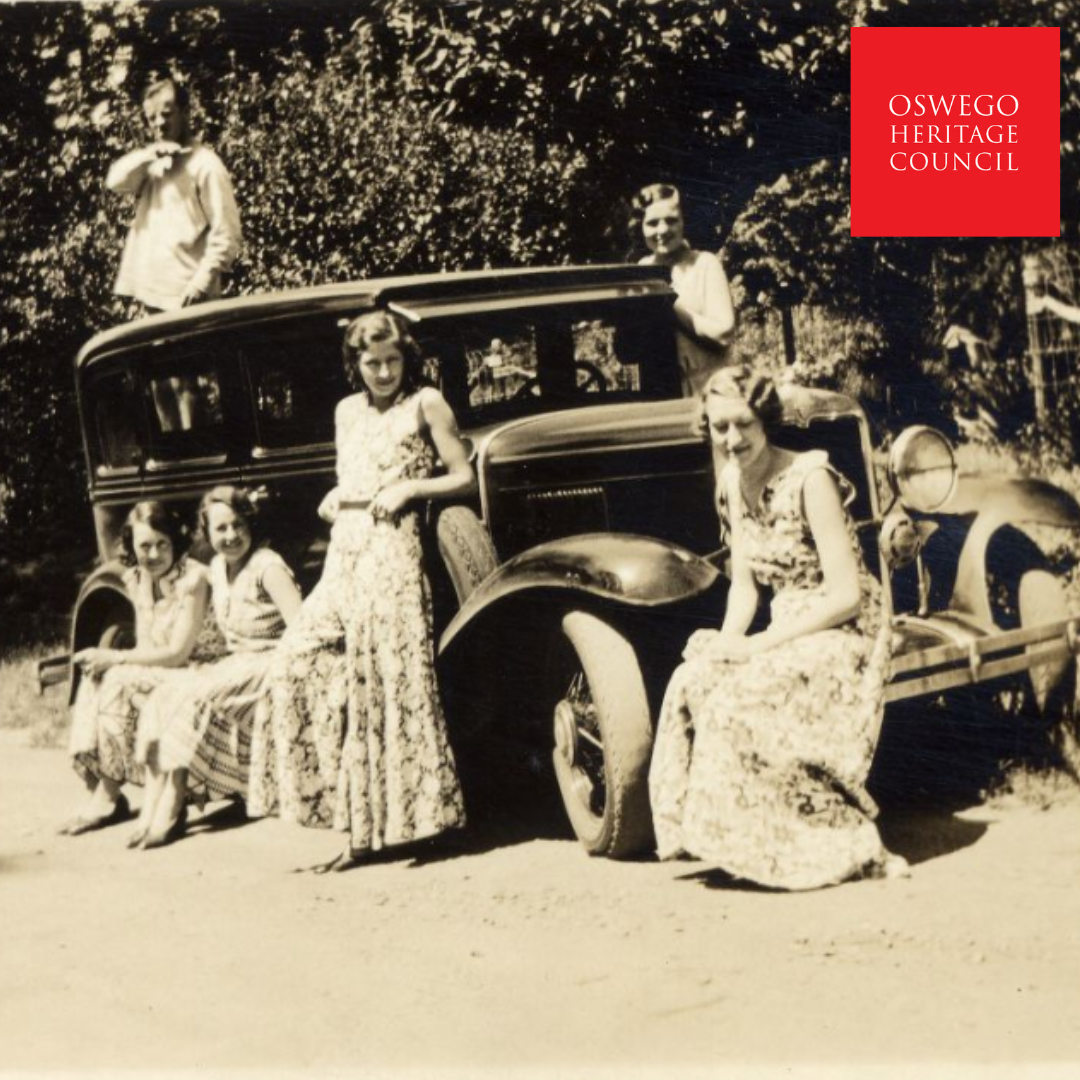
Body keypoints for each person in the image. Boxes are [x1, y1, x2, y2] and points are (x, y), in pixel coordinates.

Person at [647, 366, 907, 890]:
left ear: (765, 420)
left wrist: (757, 647)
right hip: (789, 627)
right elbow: (745, 587)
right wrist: (727, 643)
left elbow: (846, 595)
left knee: (736, 703)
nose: (732, 439)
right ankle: (728, 840)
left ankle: (828, 846)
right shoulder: (732, 482)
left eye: (743, 424)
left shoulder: (810, 478)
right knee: (693, 680)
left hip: (845, 631)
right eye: (719, 427)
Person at [249, 312, 476, 871]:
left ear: (407, 357)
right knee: (295, 662)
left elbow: (463, 474)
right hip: (344, 548)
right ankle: (346, 809)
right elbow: (353, 470)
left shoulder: (425, 403)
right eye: (371, 363)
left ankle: (417, 823)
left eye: (392, 360)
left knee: (389, 682)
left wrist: (410, 489)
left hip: (392, 549)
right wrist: (335, 495)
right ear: (354, 364)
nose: (383, 372)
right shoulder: (345, 411)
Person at [131, 486, 303, 849]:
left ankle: (175, 803)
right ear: (206, 534)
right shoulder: (217, 569)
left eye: (238, 526)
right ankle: (154, 798)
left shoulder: (267, 566)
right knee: (166, 692)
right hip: (237, 662)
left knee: (196, 695)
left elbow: (301, 629)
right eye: (220, 529)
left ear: (250, 524)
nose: (231, 536)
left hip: (272, 662)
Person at [61, 501, 212, 836]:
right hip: (168, 668)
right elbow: (146, 647)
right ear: (130, 547)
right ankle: (100, 787)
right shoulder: (138, 579)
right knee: (97, 676)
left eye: (162, 544)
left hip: (199, 667)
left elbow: (178, 653)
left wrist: (115, 658)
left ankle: (109, 795)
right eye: (144, 546)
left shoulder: (193, 578)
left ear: (175, 543)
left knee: (114, 674)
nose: (154, 554)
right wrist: (111, 663)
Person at [107, 69, 242, 316]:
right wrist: (149, 155)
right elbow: (115, 182)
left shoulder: (206, 165)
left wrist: (200, 286)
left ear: (186, 113)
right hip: (151, 299)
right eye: (151, 118)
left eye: (167, 114)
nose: (159, 123)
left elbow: (227, 234)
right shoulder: (153, 164)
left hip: (190, 302)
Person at [630, 183, 735, 397]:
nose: (662, 230)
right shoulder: (641, 270)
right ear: (640, 227)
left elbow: (723, 333)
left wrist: (668, 303)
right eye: (652, 223)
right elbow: (627, 350)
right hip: (658, 394)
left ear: (684, 221)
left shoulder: (705, 264)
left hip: (707, 389)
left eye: (671, 220)